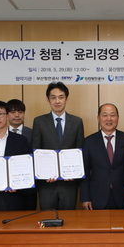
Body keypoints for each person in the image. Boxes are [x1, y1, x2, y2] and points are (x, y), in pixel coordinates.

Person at [31, 82, 85, 210]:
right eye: (53, 97)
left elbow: (80, 150)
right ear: (48, 100)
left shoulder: (77, 122)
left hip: (69, 184)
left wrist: (75, 173)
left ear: (66, 99)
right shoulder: (39, 121)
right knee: (47, 217)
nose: (57, 101)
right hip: (46, 184)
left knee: (69, 219)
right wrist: (42, 174)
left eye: (61, 97)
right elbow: (36, 151)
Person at [81, 104, 124, 210]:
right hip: (97, 196)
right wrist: (85, 198)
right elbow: (85, 172)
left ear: (118, 118)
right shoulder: (89, 141)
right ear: (98, 118)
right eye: (104, 115)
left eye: (112, 115)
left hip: (122, 196)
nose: (109, 119)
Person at [5, 98, 36, 210]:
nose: (17, 115)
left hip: (28, 185)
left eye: (20, 112)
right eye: (13, 112)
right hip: (7, 186)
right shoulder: (1, 134)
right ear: (7, 115)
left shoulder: (33, 133)